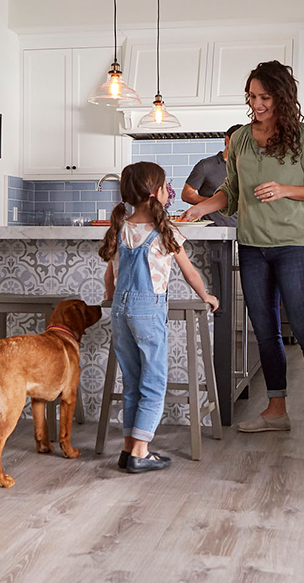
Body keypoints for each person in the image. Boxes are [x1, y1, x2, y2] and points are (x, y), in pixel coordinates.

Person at [181, 60, 304, 439]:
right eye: (252, 96)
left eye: (264, 96)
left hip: (294, 245)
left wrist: (285, 190)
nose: (257, 104)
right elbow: (231, 192)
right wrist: (202, 206)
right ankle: (276, 409)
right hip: (252, 246)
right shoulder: (241, 140)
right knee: (264, 329)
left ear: (282, 97)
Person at [99, 161, 219, 473]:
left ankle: (128, 448)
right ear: (158, 192)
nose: (170, 191)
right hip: (147, 311)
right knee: (154, 381)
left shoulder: (122, 229)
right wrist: (205, 296)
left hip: (120, 313)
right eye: (167, 186)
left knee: (132, 382)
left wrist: (112, 301)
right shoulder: (166, 232)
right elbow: (189, 271)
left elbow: (109, 277)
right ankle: (141, 451)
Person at [182, 124, 243, 226]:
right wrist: (213, 203)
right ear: (227, 140)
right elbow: (187, 194)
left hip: (239, 232)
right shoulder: (206, 166)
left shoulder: (246, 168)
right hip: (212, 232)